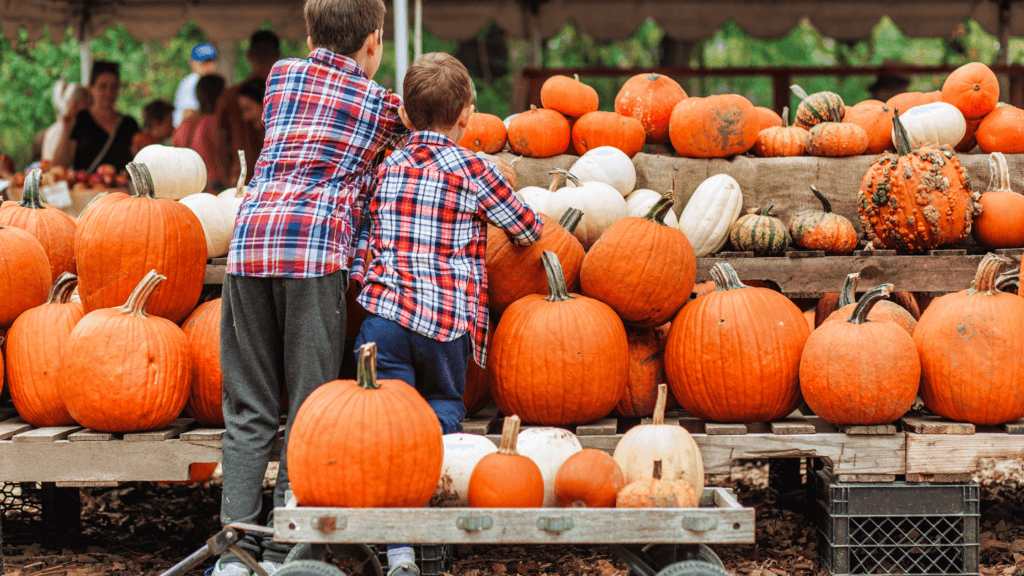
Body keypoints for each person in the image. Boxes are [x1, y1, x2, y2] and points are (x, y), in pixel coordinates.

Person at [216, 0, 409, 574]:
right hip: (314, 254)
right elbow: (403, 160)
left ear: (307, 34)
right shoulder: (382, 106)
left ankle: (233, 554)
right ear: (374, 42)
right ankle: (286, 549)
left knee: (247, 408)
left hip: (249, 246)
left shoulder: (281, 77)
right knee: (309, 409)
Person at [350, 52, 536, 576]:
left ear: (406, 117)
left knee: (391, 429)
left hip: (383, 320)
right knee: (440, 415)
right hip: (443, 323)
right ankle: (428, 535)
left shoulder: (387, 165)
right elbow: (525, 228)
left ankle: (398, 546)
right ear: (468, 115)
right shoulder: (475, 168)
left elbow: (365, 232)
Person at [212, 30, 280, 190]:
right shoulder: (287, 95)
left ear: (249, 56)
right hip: (272, 182)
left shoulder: (229, 97)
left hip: (241, 181)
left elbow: (219, 144)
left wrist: (227, 180)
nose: (247, 117)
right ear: (278, 56)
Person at [49, 61, 140, 172]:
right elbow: (59, 166)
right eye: (103, 86)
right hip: (87, 188)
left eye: (114, 87)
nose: (109, 92)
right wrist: (66, 130)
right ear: (91, 88)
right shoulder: (80, 120)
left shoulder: (129, 124)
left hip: (121, 188)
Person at [172, 74, 225, 190]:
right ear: (222, 94)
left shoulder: (184, 125)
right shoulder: (217, 123)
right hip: (215, 186)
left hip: (187, 187)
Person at [41, 79, 91, 163]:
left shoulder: (52, 130)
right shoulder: (57, 132)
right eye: (89, 105)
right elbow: (54, 167)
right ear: (74, 105)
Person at [174, 42, 218, 128]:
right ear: (192, 63)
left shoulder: (215, 81)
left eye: (210, 62)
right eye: (204, 63)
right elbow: (187, 114)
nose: (208, 66)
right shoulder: (191, 82)